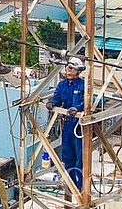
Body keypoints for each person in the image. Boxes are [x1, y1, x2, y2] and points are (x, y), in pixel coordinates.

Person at [46, 56, 85, 191]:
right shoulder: (62, 85)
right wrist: (52, 102)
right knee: (68, 155)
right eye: (68, 67)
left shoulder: (82, 85)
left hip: (79, 126)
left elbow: (88, 102)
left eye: (71, 68)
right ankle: (72, 183)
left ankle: (81, 185)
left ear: (77, 71)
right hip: (68, 124)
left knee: (80, 157)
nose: (68, 70)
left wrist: (78, 108)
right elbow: (57, 97)